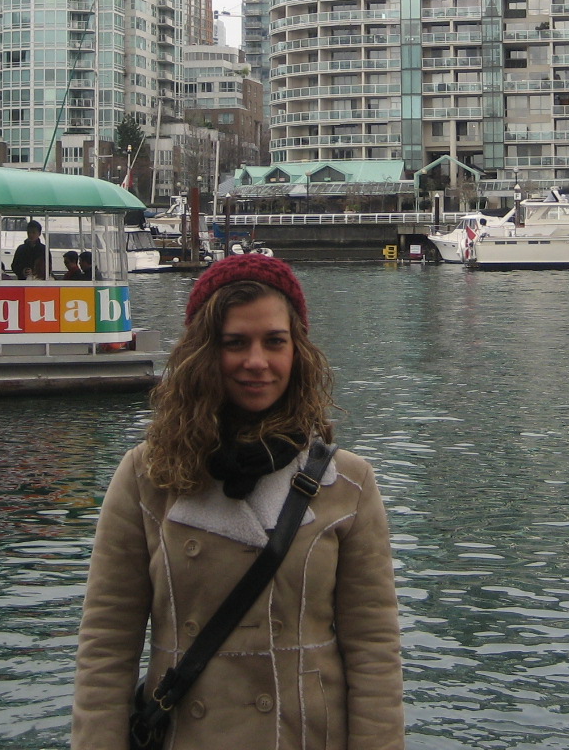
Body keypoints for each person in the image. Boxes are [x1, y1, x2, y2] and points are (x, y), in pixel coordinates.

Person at [72, 256, 404, 750]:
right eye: (235, 343)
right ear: (203, 353)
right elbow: (106, 647)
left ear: (298, 351)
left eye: (275, 341)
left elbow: (374, 652)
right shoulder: (147, 477)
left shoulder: (349, 484)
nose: (257, 361)